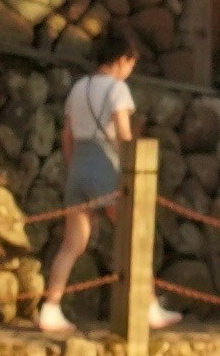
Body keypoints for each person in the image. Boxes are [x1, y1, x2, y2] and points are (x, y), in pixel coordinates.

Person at [36, 38, 176, 332]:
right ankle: (148, 307)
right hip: (106, 167)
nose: (129, 71)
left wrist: (75, 166)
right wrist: (133, 168)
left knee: (72, 244)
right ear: (122, 59)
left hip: (79, 168)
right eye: (130, 65)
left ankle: (50, 308)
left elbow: (67, 136)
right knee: (133, 237)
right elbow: (123, 135)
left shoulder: (78, 88)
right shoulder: (117, 89)